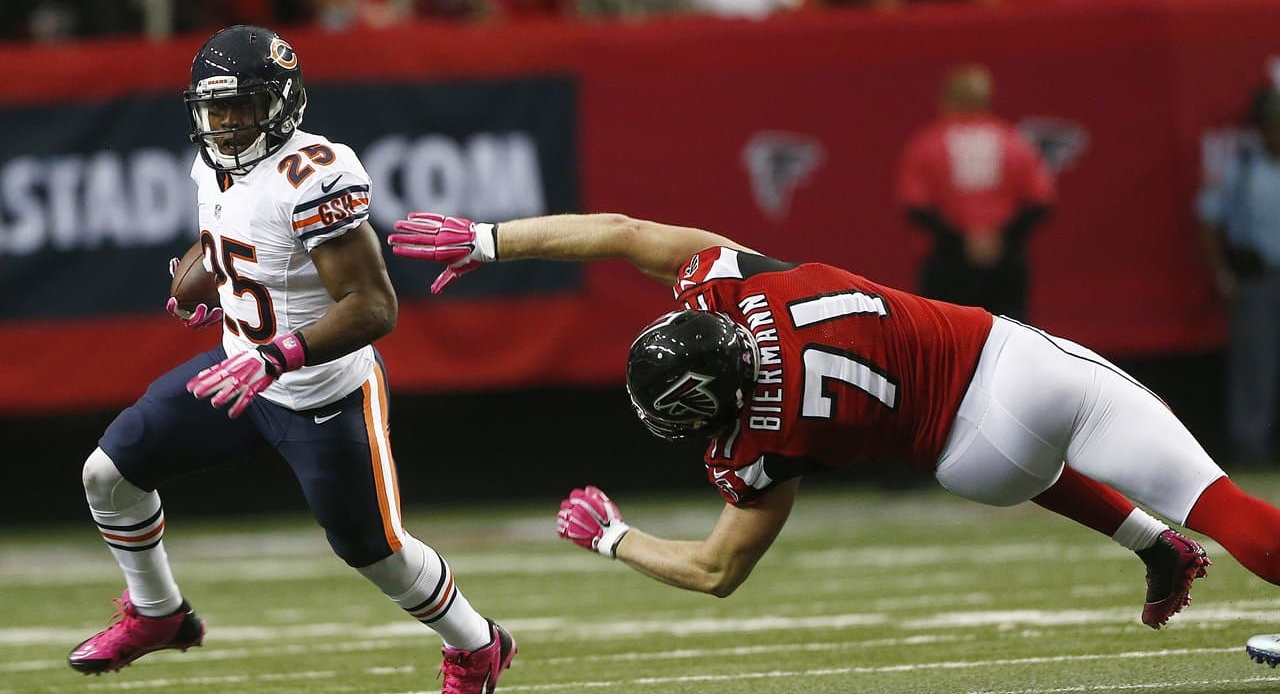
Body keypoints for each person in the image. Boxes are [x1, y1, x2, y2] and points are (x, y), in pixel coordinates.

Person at [388, 210, 1280, 662]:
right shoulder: (739, 286)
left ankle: (1150, 542)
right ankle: (1173, 531)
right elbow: (622, 233)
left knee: (1042, 460)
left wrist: (614, 537)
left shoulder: (756, 447)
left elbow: (714, 572)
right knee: (1228, 506)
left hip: (972, 464)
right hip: (1008, 366)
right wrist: (490, 239)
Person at [68, 26, 516, 694]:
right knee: (108, 473)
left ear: (281, 103)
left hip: (321, 394)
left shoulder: (314, 175)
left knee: (375, 553)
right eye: (212, 108)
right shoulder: (214, 162)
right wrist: (202, 277)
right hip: (239, 371)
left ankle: (478, 646)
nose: (223, 123)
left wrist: (279, 355)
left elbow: (373, 306)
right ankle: (159, 613)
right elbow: (225, 236)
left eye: (239, 106)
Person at [898, 64, 1055, 321]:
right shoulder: (1013, 141)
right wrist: (1001, 237)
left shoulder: (929, 143)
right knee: (1009, 340)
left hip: (949, 262)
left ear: (947, 99)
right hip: (1005, 260)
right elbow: (1040, 201)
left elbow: (915, 206)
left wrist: (962, 240)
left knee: (945, 342)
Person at [1198, 83, 1280, 467]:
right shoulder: (1243, 169)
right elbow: (1210, 218)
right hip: (1258, 278)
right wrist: (1222, 272)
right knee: (1254, 368)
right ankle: (1252, 452)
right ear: (1263, 129)